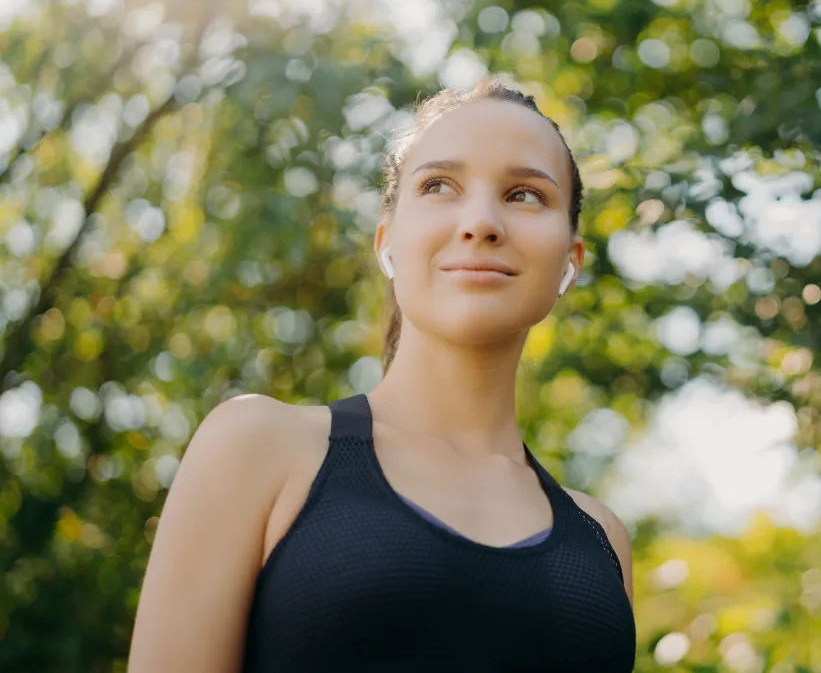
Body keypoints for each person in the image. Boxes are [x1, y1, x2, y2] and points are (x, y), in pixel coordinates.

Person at [127, 78, 637, 673]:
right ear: (386, 242)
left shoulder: (602, 540)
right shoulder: (256, 447)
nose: (481, 222)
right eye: (439, 185)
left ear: (569, 263)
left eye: (525, 194)